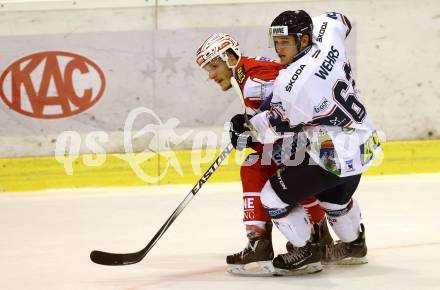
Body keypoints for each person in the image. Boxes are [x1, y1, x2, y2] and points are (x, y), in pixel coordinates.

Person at [234, 10, 382, 275]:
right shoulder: (326, 36)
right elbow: (339, 18)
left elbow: (270, 131)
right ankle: (354, 245)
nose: (279, 49)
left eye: (286, 42)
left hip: (333, 156)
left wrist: (244, 128)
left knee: (271, 196)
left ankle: (307, 251)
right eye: (276, 42)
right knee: (333, 201)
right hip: (365, 141)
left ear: (303, 40)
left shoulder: (291, 84)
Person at [195, 33, 331, 275]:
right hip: (309, 135)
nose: (211, 75)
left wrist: (252, 133)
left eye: (214, 66)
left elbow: (289, 111)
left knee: (261, 166)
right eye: (208, 69)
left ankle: (269, 241)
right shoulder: (247, 71)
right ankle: (314, 234)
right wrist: (247, 123)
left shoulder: (253, 83)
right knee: (257, 164)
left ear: (229, 58)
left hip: (309, 138)